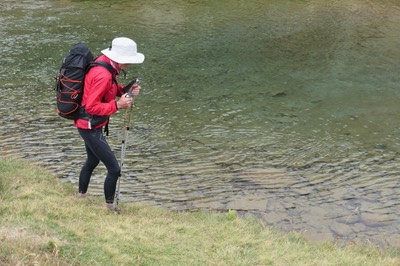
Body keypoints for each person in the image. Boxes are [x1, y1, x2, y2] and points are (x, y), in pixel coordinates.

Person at [75, 37, 145, 213]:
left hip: (88, 123)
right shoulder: (103, 74)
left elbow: (108, 89)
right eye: (130, 60)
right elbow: (91, 106)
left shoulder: (105, 63)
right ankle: (109, 208)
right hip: (89, 125)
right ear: (121, 58)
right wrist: (118, 105)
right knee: (114, 168)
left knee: (92, 160)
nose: (130, 64)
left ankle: (80, 197)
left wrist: (125, 90)